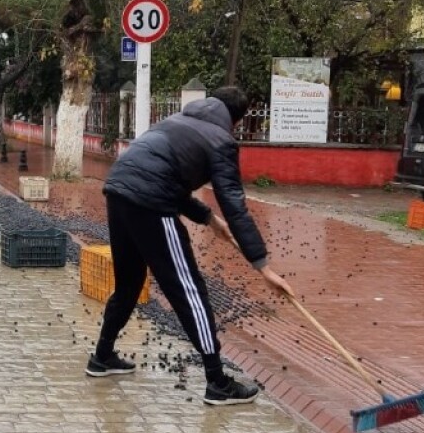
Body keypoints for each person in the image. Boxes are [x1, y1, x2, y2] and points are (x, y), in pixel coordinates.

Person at [88, 86, 296, 406]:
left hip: (119, 192)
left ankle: (102, 357)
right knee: (189, 291)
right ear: (236, 121)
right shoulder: (221, 140)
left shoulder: (176, 121)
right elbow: (235, 204)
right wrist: (263, 266)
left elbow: (164, 176)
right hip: (151, 204)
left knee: (129, 284)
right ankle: (217, 382)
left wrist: (208, 218)